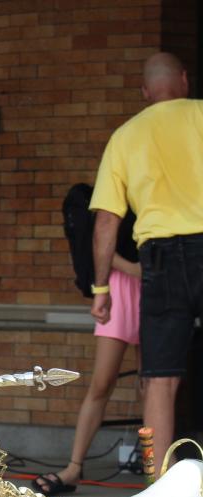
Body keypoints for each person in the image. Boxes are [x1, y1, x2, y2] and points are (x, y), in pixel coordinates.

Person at [90, 52, 203, 469]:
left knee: (159, 378)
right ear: (185, 82)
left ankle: (157, 484)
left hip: (161, 258)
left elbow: (105, 222)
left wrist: (101, 290)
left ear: (144, 92)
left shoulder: (125, 136)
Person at [33, 207, 141, 496]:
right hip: (121, 284)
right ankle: (74, 467)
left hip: (157, 288)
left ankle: (162, 466)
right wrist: (137, 269)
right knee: (102, 382)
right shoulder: (114, 196)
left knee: (155, 383)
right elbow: (100, 245)